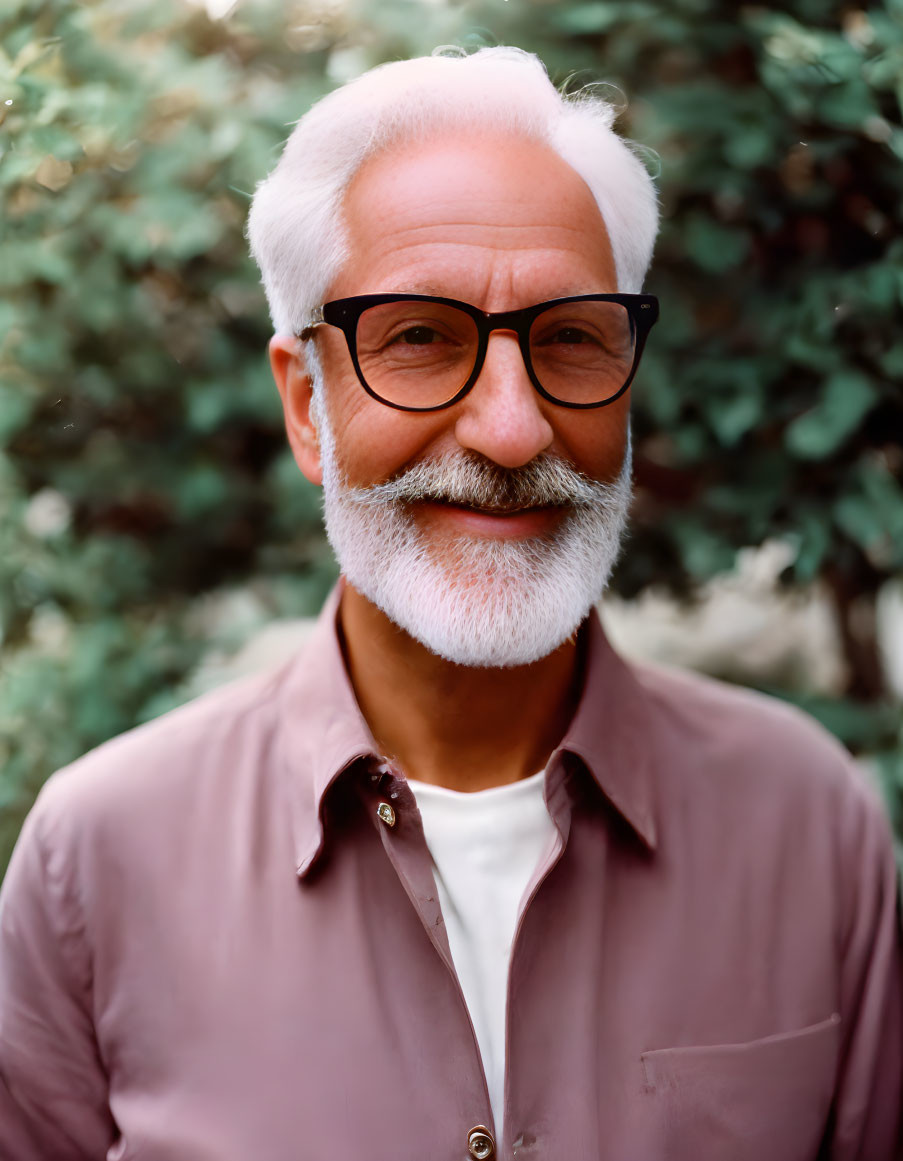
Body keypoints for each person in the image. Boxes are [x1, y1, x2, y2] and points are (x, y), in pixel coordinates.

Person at [0, 46, 899, 1161]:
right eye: (420, 339)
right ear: (306, 407)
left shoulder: (808, 823)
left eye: (572, 336)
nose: (512, 431)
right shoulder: (98, 857)